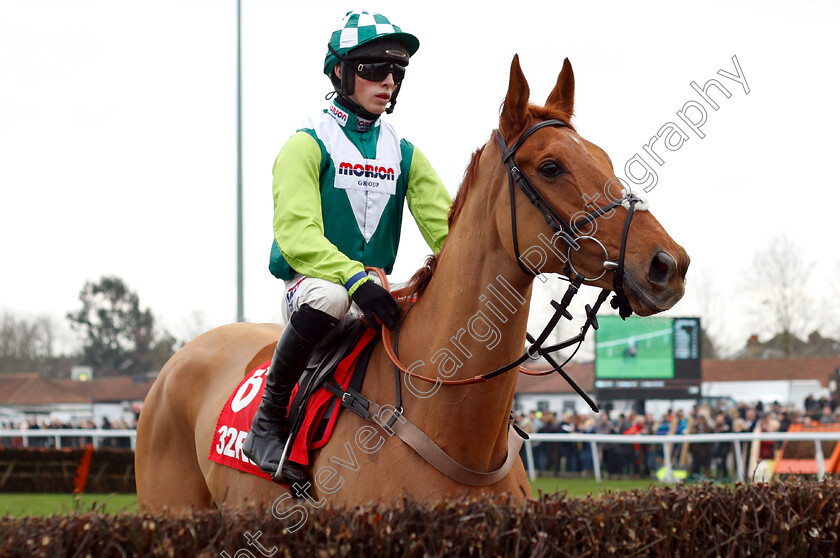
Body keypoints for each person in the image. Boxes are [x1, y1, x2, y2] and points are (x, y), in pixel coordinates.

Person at [242, 11, 452, 483]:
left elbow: (448, 232)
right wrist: (354, 278)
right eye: (375, 70)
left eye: (396, 73)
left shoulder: (405, 153)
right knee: (332, 298)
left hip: (376, 288)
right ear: (340, 72)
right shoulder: (305, 144)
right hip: (313, 287)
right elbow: (296, 237)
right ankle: (268, 419)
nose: (389, 83)